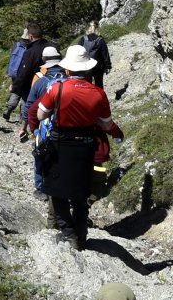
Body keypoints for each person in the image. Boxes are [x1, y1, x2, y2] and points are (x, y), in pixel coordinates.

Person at [34, 44, 123, 250]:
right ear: (88, 69)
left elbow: (40, 115)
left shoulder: (58, 88)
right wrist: (117, 133)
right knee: (81, 192)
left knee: (57, 191)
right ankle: (81, 234)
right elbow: (106, 124)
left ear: (68, 69)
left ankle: (68, 233)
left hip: (61, 143)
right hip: (86, 145)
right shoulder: (99, 93)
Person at [7, 22, 54, 125]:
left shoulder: (29, 51)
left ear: (31, 36)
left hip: (33, 83)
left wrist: (14, 86)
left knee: (27, 100)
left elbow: (24, 74)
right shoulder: (52, 47)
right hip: (53, 84)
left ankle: (25, 122)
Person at [21, 44, 62, 141]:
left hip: (46, 129)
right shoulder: (70, 79)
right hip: (68, 128)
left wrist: (24, 128)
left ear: (44, 60)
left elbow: (30, 106)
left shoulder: (40, 81)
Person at [2, 28, 34, 121]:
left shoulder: (16, 45)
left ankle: (8, 109)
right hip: (26, 74)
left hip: (14, 73)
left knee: (16, 91)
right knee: (25, 95)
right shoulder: (31, 47)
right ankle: (22, 116)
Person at [80, 22, 113, 91]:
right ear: (97, 29)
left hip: (86, 66)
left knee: (88, 85)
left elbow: (78, 51)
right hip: (98, 66)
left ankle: (89, 99)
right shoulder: (100, 40)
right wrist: (108, 66)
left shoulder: (83, 39)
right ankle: (100, 99)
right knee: (99, 84)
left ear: (88, 29)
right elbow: (105, 54)